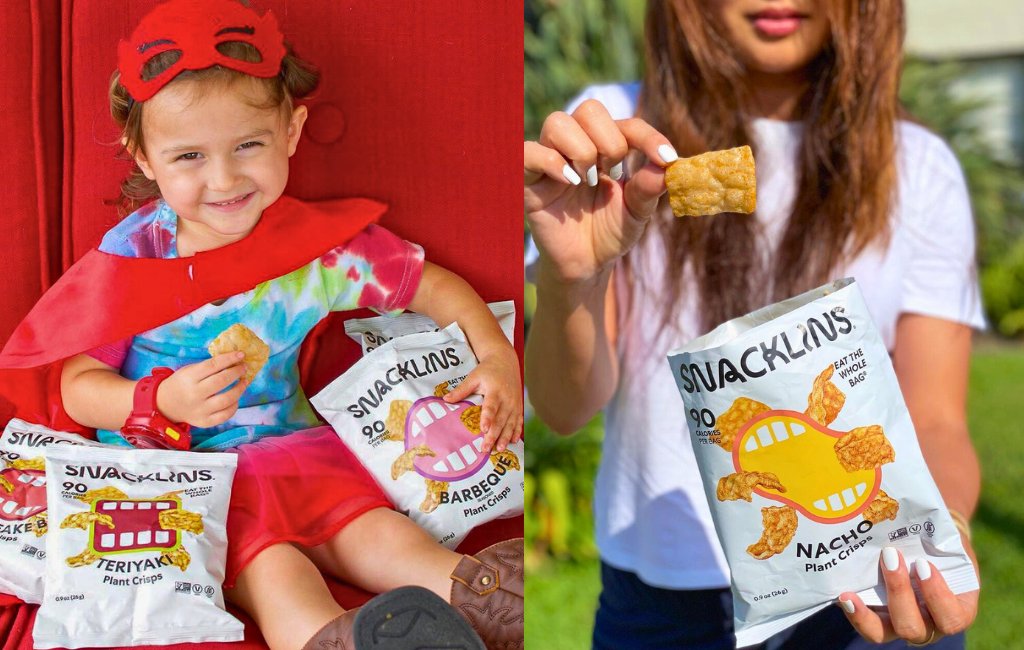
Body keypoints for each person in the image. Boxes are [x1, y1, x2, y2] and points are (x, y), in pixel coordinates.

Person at [23, 2, 524, 649]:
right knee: (271, 566)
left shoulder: (316, 253)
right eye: (189, 157)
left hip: (296, 452)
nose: (225, 178)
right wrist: (158, 399)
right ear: (143, 156)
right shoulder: (133, 257)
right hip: (186, 475)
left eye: (248, 146)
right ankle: (336, 639)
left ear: (291, 131)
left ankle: (487, 602)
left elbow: (431, 286)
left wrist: (495, 353)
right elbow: (77, 385)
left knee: (376, 531)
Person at [524, 0, 981, 648]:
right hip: (665, 599)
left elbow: (936, 418)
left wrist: (945, 533)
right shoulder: (623, 141)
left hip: (869, 577)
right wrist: (574, 277)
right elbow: (566, 407)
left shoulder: (917, 167)